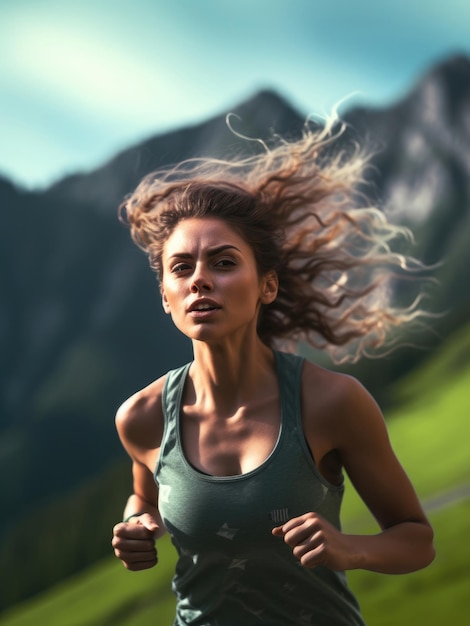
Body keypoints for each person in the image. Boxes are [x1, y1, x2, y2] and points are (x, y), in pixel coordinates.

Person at [111, 118, 435, 626]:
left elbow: (416, 540)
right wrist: (135, 523)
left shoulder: (332, 403)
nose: (199, 280)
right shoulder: (142, 417)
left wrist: (350, 548)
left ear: (267, 286)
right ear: (165, 298)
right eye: (181, 268)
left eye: (222, 262)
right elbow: (144, 496)